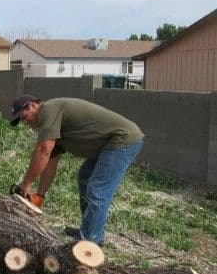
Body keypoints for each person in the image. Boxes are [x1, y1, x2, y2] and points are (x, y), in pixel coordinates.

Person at [9, 94, 144, 245]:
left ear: (32, 105)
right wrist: (39, 196)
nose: (24, 122)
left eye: (23, 117)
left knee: (97, 190)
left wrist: (26, 183)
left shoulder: (48, 110)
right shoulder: (53, 123)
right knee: (85, 177)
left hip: (122, 140)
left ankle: (89, 240)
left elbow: (43, 150)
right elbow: (50, 162)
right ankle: (90, 229)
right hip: (108, 144)